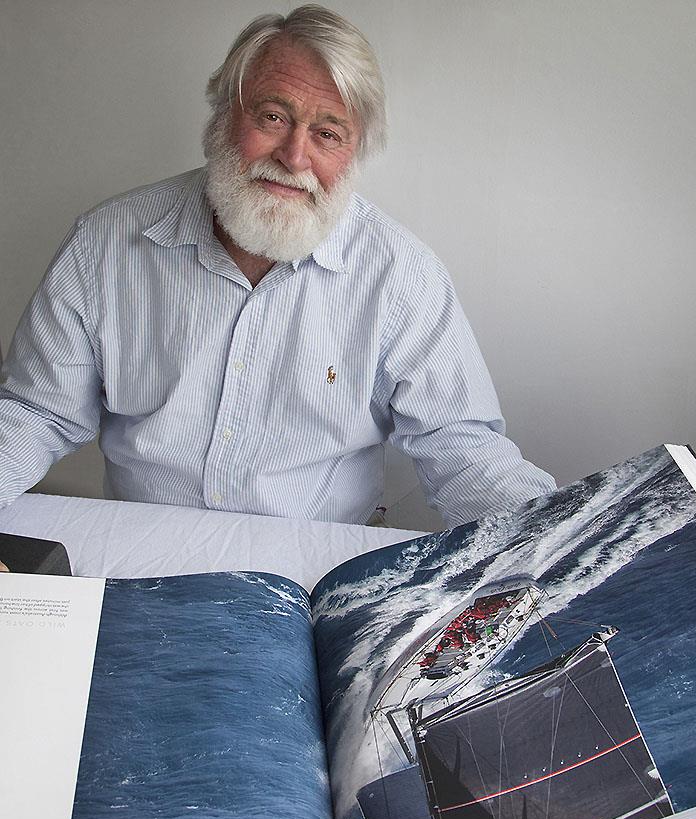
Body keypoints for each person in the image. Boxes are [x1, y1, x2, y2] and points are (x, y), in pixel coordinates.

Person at [0, 5, 555, 531]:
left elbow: (461, 447)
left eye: (327, 134)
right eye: (273, 116)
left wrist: (556, 543)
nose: (294, 156)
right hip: (145, 555)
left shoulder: (401, 275)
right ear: (222, 117)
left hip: (312, 572)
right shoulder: (105, 243)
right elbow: (33, 412)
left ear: (354, 154)